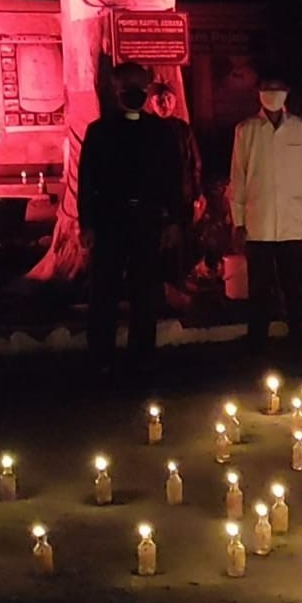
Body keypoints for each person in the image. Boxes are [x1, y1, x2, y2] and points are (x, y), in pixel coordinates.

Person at [78, 62, 186, 373]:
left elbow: (173, 179)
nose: (134, 92)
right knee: (104, 291)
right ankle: (101, 356)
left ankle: (143, 355)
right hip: (110, 220)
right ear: (116, 89)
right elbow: (87, 181)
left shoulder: (161, 132)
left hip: (147, 220)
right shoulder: (99, 131)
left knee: (145, 290)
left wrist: (174, 220)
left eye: (139, 85)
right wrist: (87, 224)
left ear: (148, 88)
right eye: (127, 86)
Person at [230, 75, 302, 349]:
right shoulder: (246, 130)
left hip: (292, 221)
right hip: (259, 220)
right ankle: (257, 339)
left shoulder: (300, 128)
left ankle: (298, 339)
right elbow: (238, 177)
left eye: (278, 88)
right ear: (258, 93)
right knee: (259, 286)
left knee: (294, 283)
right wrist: (239, 220)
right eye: (268, 89)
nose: (273, 93)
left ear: (287, 92)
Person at [147, 80, 204, 277]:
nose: (164, 104)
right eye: (159, 100)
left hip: (183, 194)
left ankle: (182, 277)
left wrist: (198, 193)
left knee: (183, 239)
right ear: (151, 103)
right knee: (158, 242)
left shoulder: (183, 128)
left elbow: (195, 162)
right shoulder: (146, 129)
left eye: (169, 99)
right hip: (155, 199)